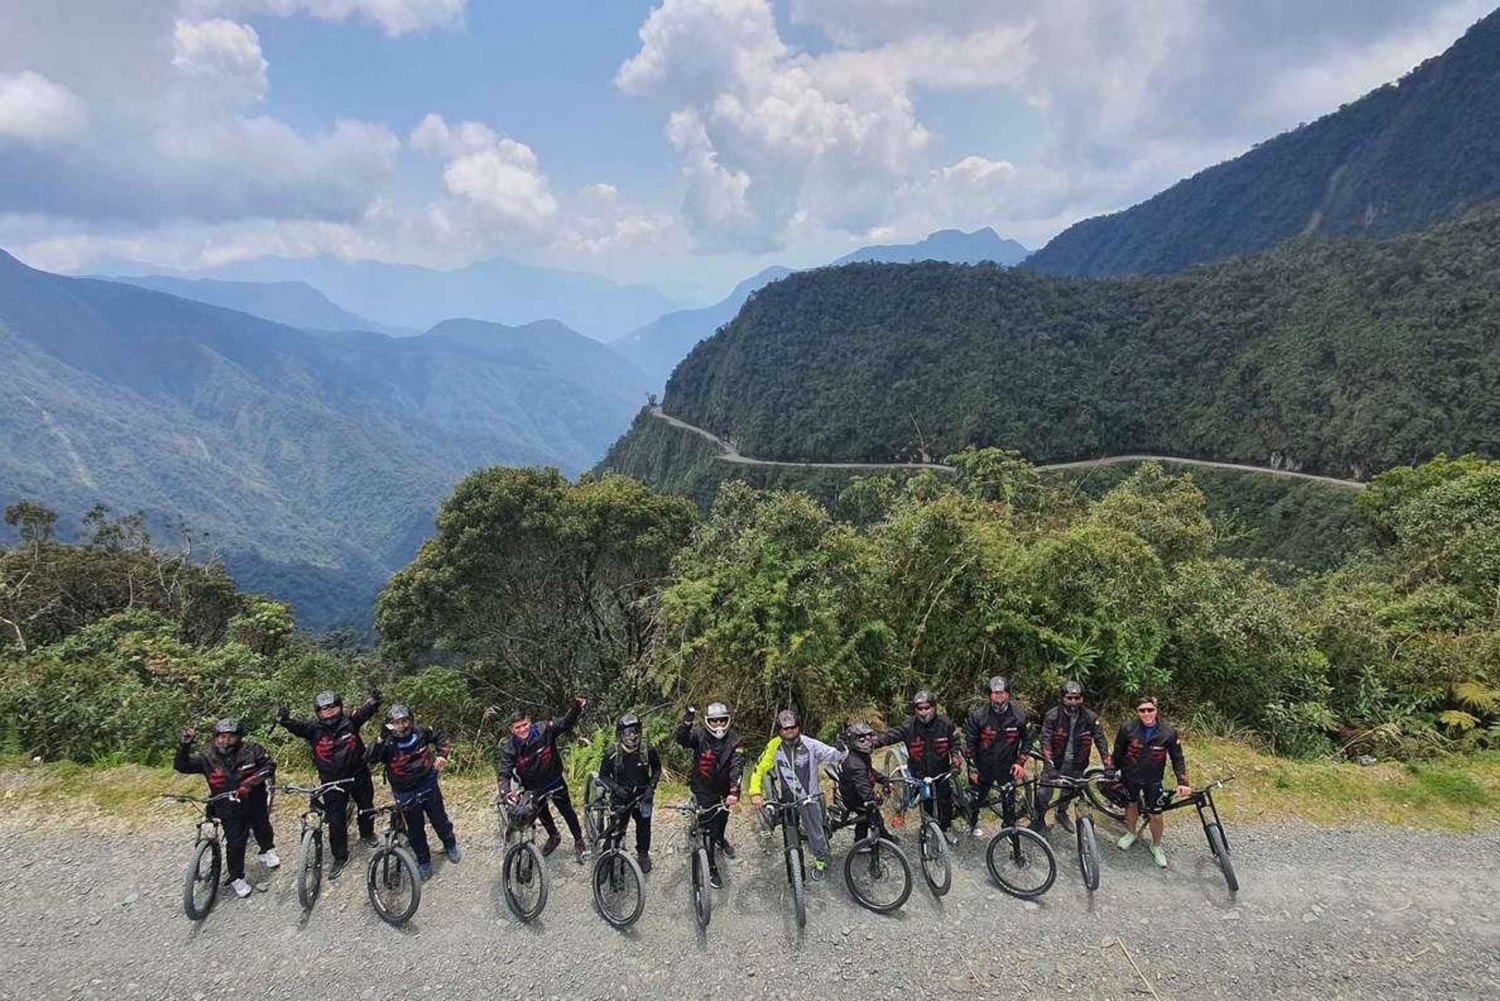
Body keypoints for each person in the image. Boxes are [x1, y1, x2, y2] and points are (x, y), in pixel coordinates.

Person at [275, 688, 382, 880]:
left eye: (333, 706)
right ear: (318, 712)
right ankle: (340, 856)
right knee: (335, 819)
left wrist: (375, 701)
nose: (329, 710)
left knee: (366, 806)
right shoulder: (313, 729)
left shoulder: (350, 721)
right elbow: (297, 726)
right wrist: (284, 720)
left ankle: (367, 833)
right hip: (331, 780)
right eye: (324, 708)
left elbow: (365, 711)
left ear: (339, 706)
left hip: (358, 774)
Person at [173, 718, 278, 899]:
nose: (225, 741)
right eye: (221, 737)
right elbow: (182, 766)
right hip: (227, 807)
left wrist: (250, 783)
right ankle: (237, 877)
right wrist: (184, 745)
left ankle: (267, 850)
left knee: (262, 827)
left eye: (230, 737)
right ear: (216, 737)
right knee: (235, 843)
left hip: (254, 800)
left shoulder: (253, 750)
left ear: (239, 737)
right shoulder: (207, 757)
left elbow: (269, 766)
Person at [748, 709, 847, 881]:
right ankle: (793, 863)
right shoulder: (774, 746)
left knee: (816, 834)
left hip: (810, 798)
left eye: (793, 727)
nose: (789, 731)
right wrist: (755, 792)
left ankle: (821, 859)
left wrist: (841, 749)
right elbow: (759, 769)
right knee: (789, 833)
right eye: (785, 728)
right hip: (787, 800)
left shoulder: (810, 744)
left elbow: (833, 755)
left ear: (799, 727)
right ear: (779, 730)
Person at [366, 704, 459, 881]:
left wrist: (442, 755)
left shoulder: (421, 732)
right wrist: (380, 739)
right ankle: (423, 860)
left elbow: (440, 738)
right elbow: (370, 759)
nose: (402, 726)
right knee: (415, 828)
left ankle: (450, 844)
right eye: (397, 722)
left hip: (428, 782)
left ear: (411, 720)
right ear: (390, 724)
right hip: (404, 790)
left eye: (405, 721)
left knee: (439, 818)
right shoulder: (387, 742)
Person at [496, 697, 588, 864]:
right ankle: (554, 836)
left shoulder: (544, 729)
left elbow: (565, 723)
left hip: (555, 781)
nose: (522, 729)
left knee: (567, 811)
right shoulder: (509, 747)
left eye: (525, 724)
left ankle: (579, 840)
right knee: (542, 813)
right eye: (518, 727)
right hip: (533, 788)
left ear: (529, 721)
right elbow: (504, 771)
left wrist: (576, 708)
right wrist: (506, 792)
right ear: (511, 729)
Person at [872, 690, 965, 844]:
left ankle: (946, 828)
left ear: (934, 707)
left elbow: (955, 742)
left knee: (945, 801)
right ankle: (928, 827)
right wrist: (870, 743)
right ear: (915, 710)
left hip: (941, 771)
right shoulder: (908, 726)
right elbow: (890, 736)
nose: (923, 712)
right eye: (919, 708)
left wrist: (956, 756)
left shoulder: (945, 723)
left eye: (927, 708)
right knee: (926, 801)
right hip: (919, 773)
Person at [1111, 696, 1190, 868]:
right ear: (1137, 712)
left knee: (1156, 814)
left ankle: (1156, 846)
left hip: (1153, 779)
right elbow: (1118, 752)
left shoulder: (1168, 732)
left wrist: (1183, 782)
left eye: (1150, 710)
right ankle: (1131, 833)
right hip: (1130, 776)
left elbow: (1177, 757)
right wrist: (1111, 770)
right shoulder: (1127, 728)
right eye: (1142, 710)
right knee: (1131, 804)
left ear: (1156, 710)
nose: (1146, 713)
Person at [674, 701, 745, 889]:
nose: (718, 724)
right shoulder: (699, 735)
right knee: (707, 829)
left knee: (722, 818)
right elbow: (681, 739)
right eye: (714, 721)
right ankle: (711, 866)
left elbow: (737, 765)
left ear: (727, 720)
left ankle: (721, 839)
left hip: (725, 789)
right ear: (707, 721)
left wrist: (734, 790)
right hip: (703, 789)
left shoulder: (735, 740)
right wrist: (687, 721)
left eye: (722, 720)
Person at [1032, 680, 1112, 834]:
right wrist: (1049, 766)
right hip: (1055, 762)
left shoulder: (1090, 717)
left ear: (1082, 698)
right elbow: (1045, 741)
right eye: (1069, 698)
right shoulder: (1052, 716)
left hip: (1077, 763)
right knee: (1044, 793)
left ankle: (1061, 813)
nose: (1073, 701)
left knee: (1069, 792)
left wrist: (1108, 765)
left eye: (1077, 698)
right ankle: (1039, 819)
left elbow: (1101, 741)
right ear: (1062, 698)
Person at [963, 676, 1032, 838]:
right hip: (982, 766)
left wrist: (1020, 762)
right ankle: (972, 823)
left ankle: (1008, 830)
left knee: (1008, 801)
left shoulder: (1020, 716)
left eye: (1002, 692)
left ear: (1008, 694)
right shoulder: (978, 716)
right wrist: (972, 768)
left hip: (1007, 766)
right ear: (990, 695)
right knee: (976, 798)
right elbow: (969, 743)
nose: (999, 696)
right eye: (995, 693)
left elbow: (1028, 740)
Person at [596, 713, 663, 873]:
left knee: (644, 826)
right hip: (621, 796)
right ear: (621, 735)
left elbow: (657, 769)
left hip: (643, 795)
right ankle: (606, 857)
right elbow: (603, 775)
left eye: (635, 731)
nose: (632, 736)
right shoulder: (612, 753)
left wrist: (650, 788)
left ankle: (643, 854)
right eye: (627, 733)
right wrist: (616, 789)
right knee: (616, 827)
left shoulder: (648, 750)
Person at [838, 721, 894, 844]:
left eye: (869, 737)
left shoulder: (860, 756)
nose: (868, 742)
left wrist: (884, 780)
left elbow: (870, 772)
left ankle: (861, 841)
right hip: (853, 798)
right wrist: (876, 796)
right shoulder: (855, 764)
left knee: (866, 817)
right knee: (872, 814)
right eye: (862, 739)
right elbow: (864, 791)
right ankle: (882, 840)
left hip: (855, 793)